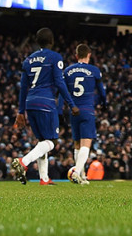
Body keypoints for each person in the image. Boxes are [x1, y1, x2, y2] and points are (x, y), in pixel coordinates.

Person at [12, 28, 78, 185]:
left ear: (37, 41)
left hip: (30, 102)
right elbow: (59, 82)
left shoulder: (27, 60)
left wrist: (21, 111)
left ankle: (44, 178)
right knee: (52, 143)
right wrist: (71, 104)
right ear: (52, 41)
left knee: (42, 140)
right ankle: (23, 162)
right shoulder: (55, 57)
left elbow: (23, 88)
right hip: (46, 102)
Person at [64, 43, 107, 185]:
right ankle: (77, 171)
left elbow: (62, 91)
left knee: (77, 144)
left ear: (76, 56)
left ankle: (81, 177)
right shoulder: (94, 70)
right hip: (87, 109)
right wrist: (103, 103)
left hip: (73, 110)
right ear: (89, 55)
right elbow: (102, 92)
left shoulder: (68, 70)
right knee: (86, 144)